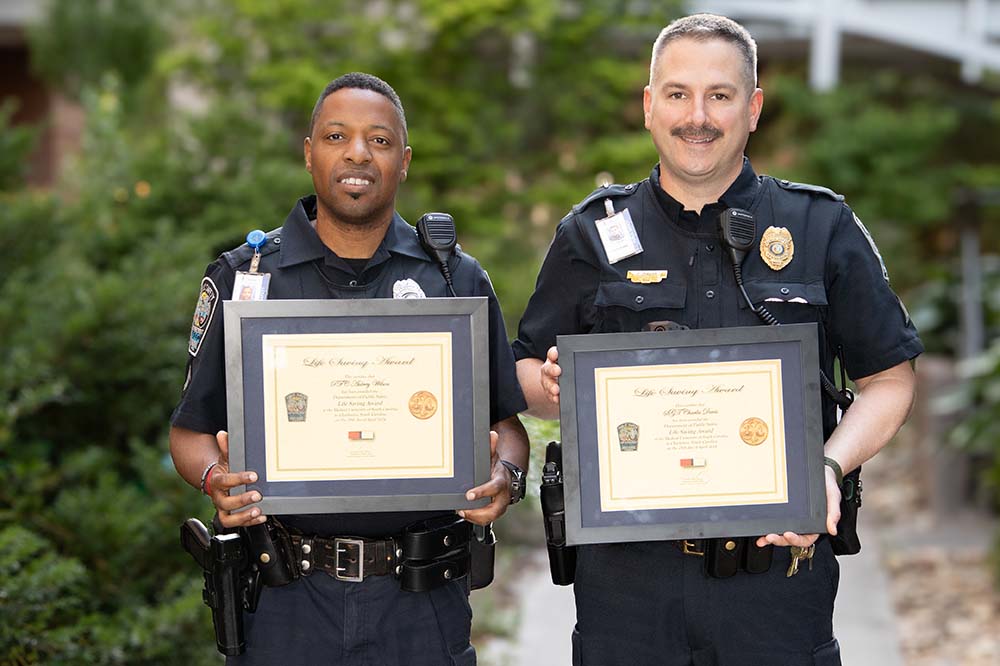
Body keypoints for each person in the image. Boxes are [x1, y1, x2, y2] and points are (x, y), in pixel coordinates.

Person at [512, 14, 922, 666]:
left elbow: (889, 381)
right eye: (677, 94)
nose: (695, 115)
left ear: (753, 108)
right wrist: (551, 385)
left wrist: (828, 467)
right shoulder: (591, 233)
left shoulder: (821, 226)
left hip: (777, 576)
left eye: (720, 95)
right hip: (626, 586)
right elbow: (527, 376)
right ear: (650, 107)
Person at [169, 72, 529, 665]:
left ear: (405, 161)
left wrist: (505, 478)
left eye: (380, 141)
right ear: (309, 154)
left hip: (422, 600)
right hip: (284, 602)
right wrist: (216, 481)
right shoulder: (247, 280)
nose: (358, 153)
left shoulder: (455, 281)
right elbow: (189, 432)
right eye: (337, 136)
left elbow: (507, 427)